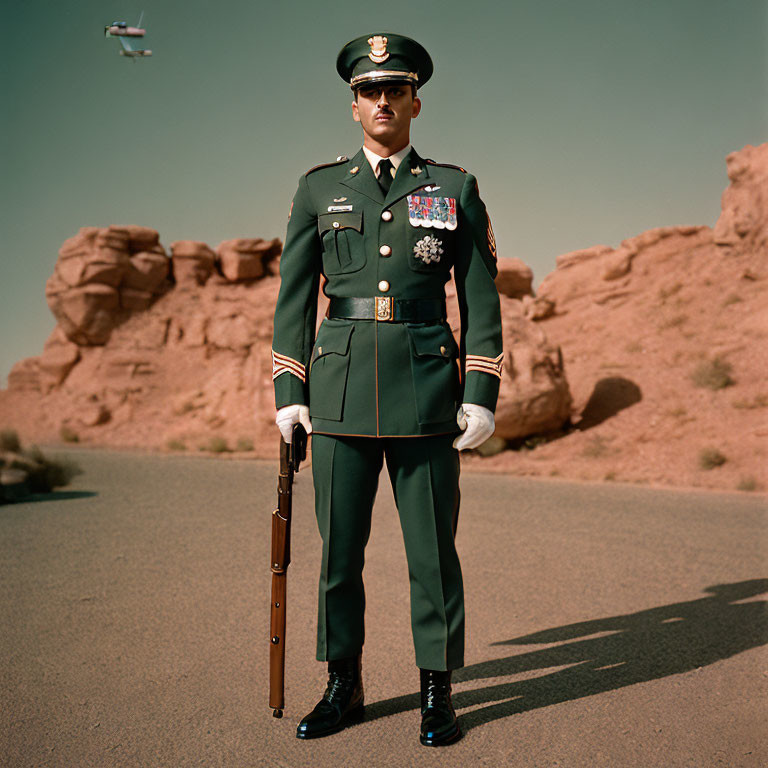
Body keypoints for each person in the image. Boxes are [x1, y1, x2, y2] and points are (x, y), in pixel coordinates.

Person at [271, 32, 503, 746]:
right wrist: (290, 390)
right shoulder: (318, 189)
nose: (381, 101)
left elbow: (480, 296)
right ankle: (345, 684)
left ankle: (438, 691)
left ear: (414, 102)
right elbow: (293, 298)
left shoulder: (453, 187)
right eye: (369, 91)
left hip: (427, 387)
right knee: (339, 554)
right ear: (354, 106)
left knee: (433, 553)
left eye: (394, 90)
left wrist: (480, 389)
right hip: (337, 390)